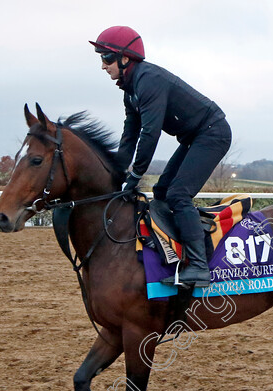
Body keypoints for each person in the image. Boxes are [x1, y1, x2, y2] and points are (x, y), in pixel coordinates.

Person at [90, 26, 232, 289]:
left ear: (125, 58)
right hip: (195, 136)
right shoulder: (130, 88)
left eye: (106, 58)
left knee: (178, 195)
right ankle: (178, 254)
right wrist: (118, 172)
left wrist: (135, 175)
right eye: (100, 57)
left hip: (213, 133)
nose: (102, 65)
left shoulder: (148, 81)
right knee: (162, 192)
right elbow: (129, 134)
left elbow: (150, 133)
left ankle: (200, 268)